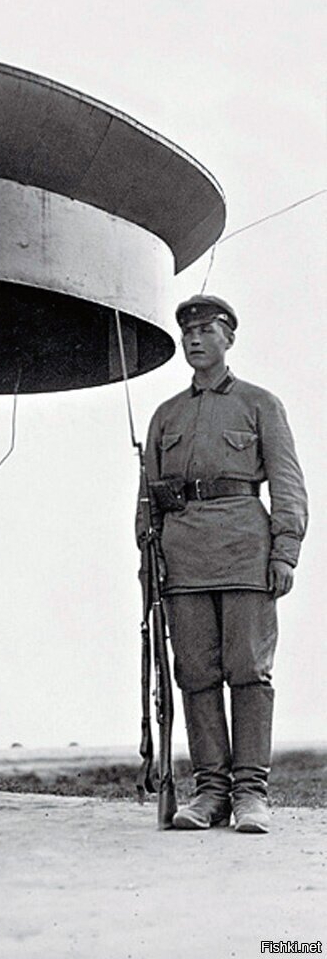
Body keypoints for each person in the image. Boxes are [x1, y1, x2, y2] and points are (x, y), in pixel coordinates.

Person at [138, 294, 308, 833]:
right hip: (183, 559)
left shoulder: (260, 404)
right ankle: (210, 792)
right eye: (187, 332)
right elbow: (146, 496)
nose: (194, 339)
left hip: (244, 553)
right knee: (195, 675)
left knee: (249, 672)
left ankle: (250, 794)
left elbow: (288, 484)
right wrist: (147, 559)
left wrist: (285, 551)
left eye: (206, 330)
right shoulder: (166, 414)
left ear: (228, 338)